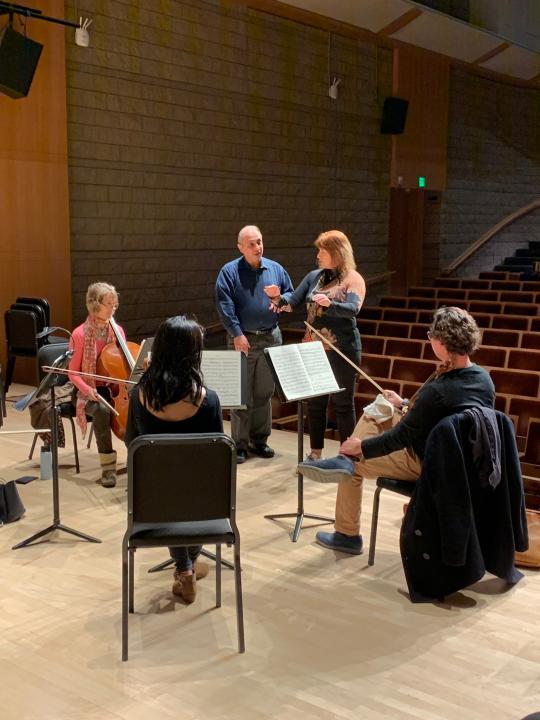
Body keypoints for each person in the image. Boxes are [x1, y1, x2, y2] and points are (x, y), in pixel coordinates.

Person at [297, 306, 496, 555]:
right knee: (382, 407)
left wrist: (362, 448)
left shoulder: (439, 390)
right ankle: (345, 457)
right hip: (457, 461)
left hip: (428, 462)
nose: (430, 341)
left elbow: (402, 437)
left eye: (431, 336)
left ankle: (347, 533)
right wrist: (402, 404)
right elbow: (434, 415)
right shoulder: (483, 379)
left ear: (442, 342)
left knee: (355, 466)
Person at [124, 315, 223, 604]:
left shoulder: (139, 395)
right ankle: (187, 564)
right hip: (204, 506)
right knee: (194, 495)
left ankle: (185, 568)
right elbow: (217, 458)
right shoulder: (210, 399)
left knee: (170, 494)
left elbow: (131, 442)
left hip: (151, 504)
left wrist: (147, 377)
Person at [264, 229, 365, 461]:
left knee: (342, 404)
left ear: (337, 253)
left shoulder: (353, 278)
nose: (318, 255)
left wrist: (330, 304)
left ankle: (346, 455)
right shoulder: (314, 276)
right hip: (313, 350)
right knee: (316, 403)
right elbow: (293, 302)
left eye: (323, 250)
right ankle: (316, 452)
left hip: (342, 350)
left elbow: (353, 309)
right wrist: (277, 298)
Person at [215, 225, 293, 463]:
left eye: (259, 241)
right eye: (251, 244)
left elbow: (291, 295)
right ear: (240, 247)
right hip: (243, 339)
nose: (257, 247)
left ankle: (260, 441)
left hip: (271, 337)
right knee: (242, 395)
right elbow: (224, 305)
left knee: (264, 393)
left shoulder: (276, 269)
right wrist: (237, 333)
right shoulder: (229, 271)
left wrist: (281, 298)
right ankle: (239, 444)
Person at [68, 282, 124, 488]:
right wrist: (87, 390)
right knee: (101, 410)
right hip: (86, 390)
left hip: (113, 388)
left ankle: (139, 455)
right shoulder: (80, 334)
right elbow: (73, 373)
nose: (112, 308)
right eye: (108, 304)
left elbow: (123, 365)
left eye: (115, 304)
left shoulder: (117, 330)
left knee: (137, 403)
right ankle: (108, 468)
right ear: (94, 305)